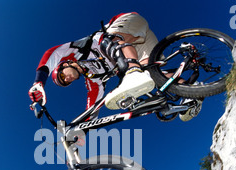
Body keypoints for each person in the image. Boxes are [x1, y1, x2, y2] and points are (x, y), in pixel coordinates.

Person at [28, 12, 158, 112]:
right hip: (139, 46)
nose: (67, 79)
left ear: (65, 64)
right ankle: (177, 91)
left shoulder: (77, 51)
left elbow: (52, 53)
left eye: (62, 75)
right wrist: (82, 132)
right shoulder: (93, 80)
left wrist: (39, 82)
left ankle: (133, 72)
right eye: (66, 82)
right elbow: (92, 107)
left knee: (107, 42)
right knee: (154, 73)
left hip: (128, 24)